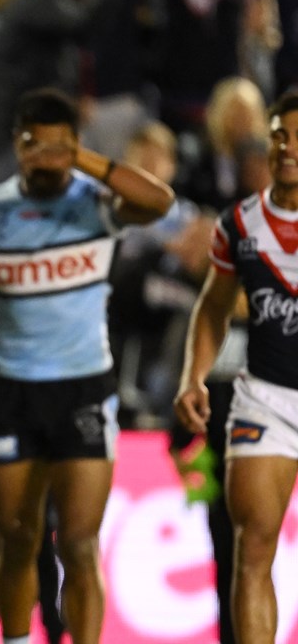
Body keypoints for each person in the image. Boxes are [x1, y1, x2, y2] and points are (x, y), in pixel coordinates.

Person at [0, 88, 174, 644]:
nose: (48, 157)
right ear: (17, 145)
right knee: (17, 537)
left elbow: (160, 202)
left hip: (83, 389)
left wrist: (80, 158)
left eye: (61, 145)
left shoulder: (96, 203)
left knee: (79, 542)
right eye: (35, 145)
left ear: (75, 146)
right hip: (11, 392)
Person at [174, 90, 298, 644]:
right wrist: (192, 376)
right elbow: (212, 307)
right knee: (252, 546)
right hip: (265, 398)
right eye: (279, 136)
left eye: (297, 137)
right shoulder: (239, 225)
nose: (287, 148)